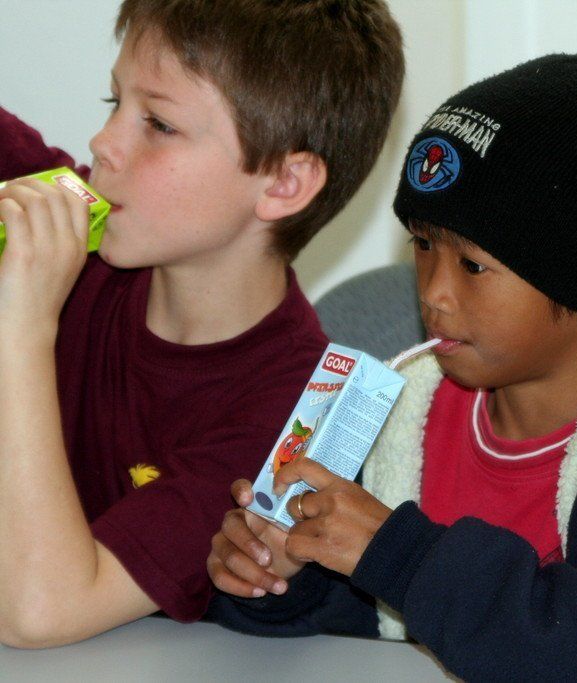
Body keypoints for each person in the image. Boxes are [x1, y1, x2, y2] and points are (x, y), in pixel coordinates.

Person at [206, 54, 577, 681]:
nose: (434, 292)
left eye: (473, 265)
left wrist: (409, 560)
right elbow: (356, 631)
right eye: (423, 245)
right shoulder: (399, 419)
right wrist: (282, 576)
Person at [0, 0, 403, 648]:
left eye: (158, 123)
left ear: (284, 182)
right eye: (114, 102)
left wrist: (21, 323)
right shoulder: (86, 235)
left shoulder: (293, 419)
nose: (104, 143)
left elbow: (41, 611)